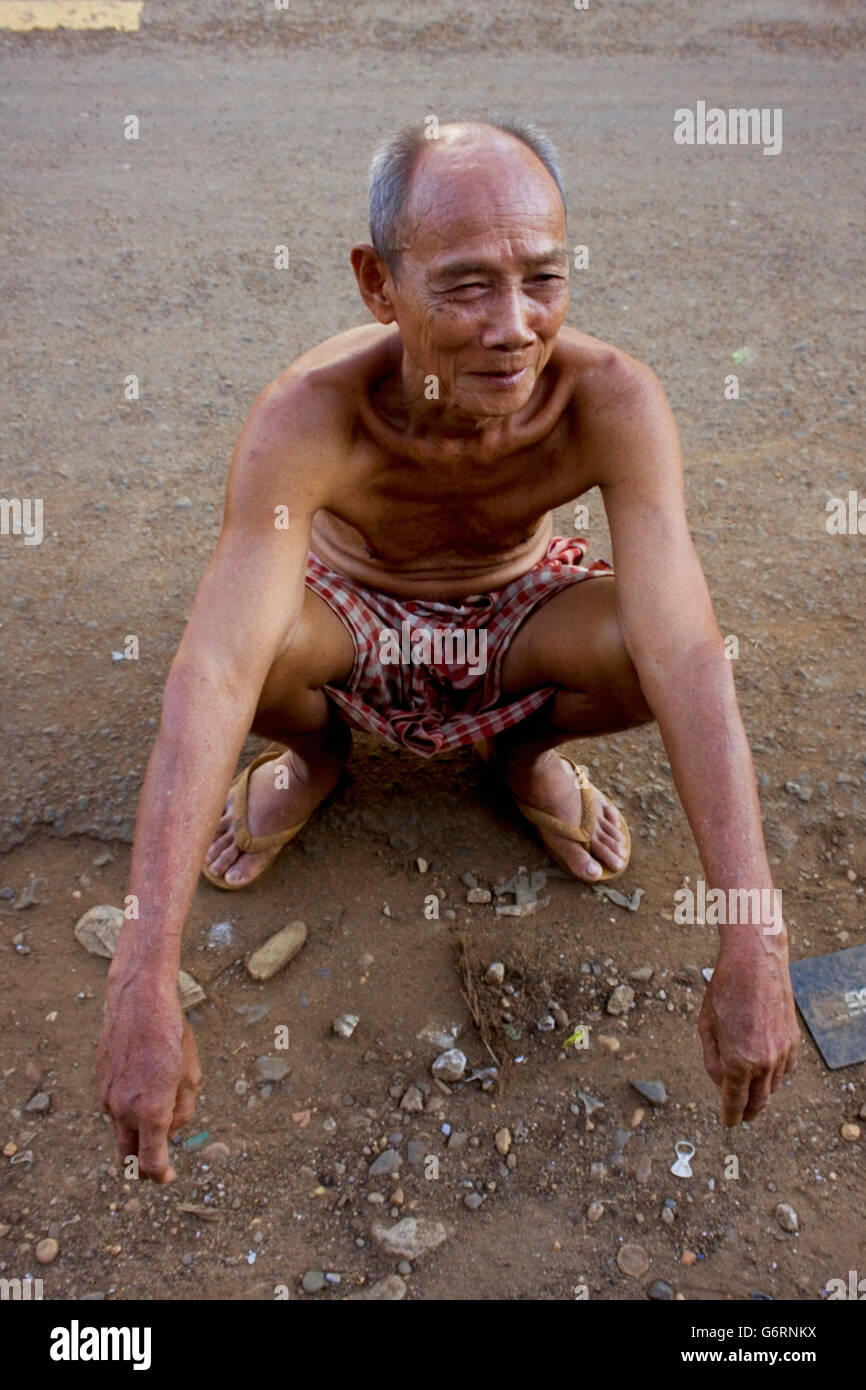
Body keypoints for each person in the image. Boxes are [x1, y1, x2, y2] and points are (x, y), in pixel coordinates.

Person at [98, 118, 799, 1182]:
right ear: (378, 285)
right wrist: (141, 979)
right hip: (351, 607)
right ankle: (317, 759)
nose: (513, 328)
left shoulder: (610, 398)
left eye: (541, 280)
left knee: (643, 649)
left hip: (518, 607)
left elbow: (689, 653)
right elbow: (213, 668)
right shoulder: (311, 415)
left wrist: (753, 938)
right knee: (257, 649)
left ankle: (517, 758)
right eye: (465, 287)